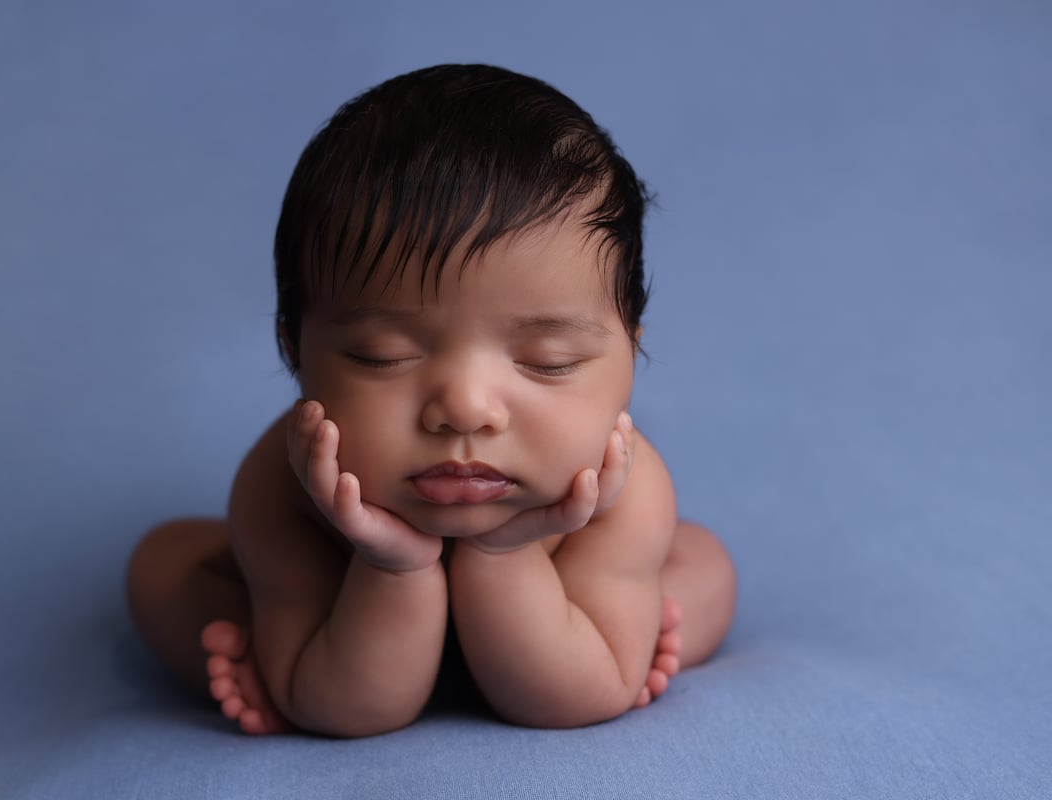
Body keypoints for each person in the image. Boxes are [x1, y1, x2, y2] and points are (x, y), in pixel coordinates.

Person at [126, 63, 736, 738]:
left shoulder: (619, 491)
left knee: (704, 565)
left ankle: (630, 623)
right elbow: (346, 709)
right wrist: (393, 564)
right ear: (295, 351)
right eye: (383, 356)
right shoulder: (285, 487)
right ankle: (278, 646)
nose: (466, 409)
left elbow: (576, 700)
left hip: (565, 620)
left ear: (631, 358)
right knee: (163, 566)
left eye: (548, 362)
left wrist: (507, 554)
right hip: (345, 627)